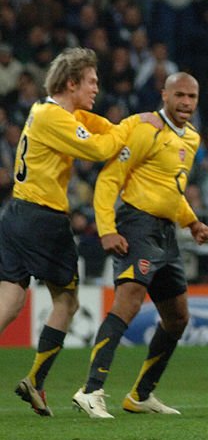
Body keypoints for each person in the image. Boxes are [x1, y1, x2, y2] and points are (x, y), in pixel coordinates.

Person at [0, 48, 160, 416]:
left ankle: (37, 383)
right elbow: (102, 147)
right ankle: (36, 381)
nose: (96, 87)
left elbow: (96, 122)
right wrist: (133, 128)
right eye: (91, 81)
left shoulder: (45, 110)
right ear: (71, 83)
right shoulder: (55, 118)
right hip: (44, 219)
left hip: (16, 214)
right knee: (67, 302)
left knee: (10, 300)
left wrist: (128, 122)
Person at [71, 73, 208, 418]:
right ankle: (90, 390)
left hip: (166, 233)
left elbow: (170, 191)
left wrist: (191, 221)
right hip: (136, 224)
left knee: (177, 318)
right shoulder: (144, 128)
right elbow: (110, 179)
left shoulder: (191, 138)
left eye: (192, 97)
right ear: (163, 94)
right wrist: (106, 228)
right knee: (129, 301)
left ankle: (140, 395)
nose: (186, 103)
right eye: (179, 94)